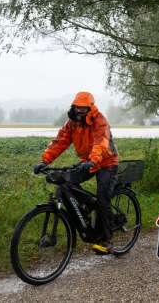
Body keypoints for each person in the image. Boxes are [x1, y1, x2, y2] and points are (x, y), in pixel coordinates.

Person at [33, 91, 119, 253]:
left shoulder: (99, 121)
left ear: (90, 108)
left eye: (83, 108)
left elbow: (101, 142)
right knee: (68, 182)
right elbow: (60, 142)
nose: (79, 111)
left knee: (102, 196)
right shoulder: (71, 123)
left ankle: (107, 240)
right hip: (88, 161)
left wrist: (93, 160)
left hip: (107, 162)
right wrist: (44, 161)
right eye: (77, 108)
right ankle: (88, 207)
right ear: (73, 107)